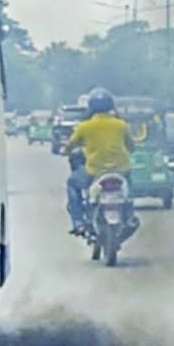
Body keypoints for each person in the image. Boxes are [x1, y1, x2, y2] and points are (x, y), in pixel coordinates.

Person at [63, 88, 134, 235]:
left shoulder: (84, 126)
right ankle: (130, 216)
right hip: (121, 169)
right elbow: (131, 146)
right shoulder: (121, 125)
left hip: (95, 170)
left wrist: (66, 150)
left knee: (72, 183)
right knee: (129, 192)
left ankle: (78, 221)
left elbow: (70, 146)